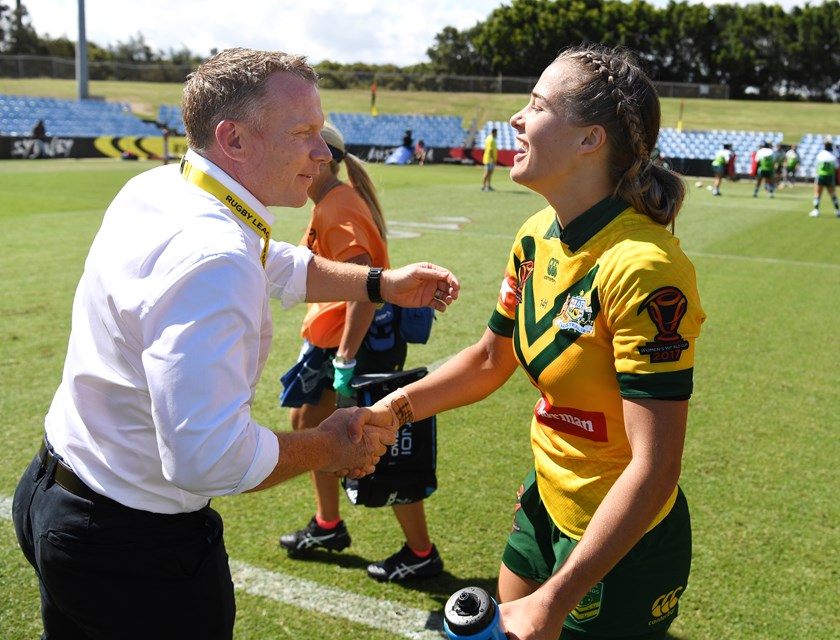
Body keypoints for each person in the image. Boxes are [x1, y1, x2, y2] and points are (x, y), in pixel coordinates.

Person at [11, 48, 459, 640]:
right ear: (235, 140)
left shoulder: (164, 186)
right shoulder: (213, 256)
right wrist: (326, 445)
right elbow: (207, 458)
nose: (324, 152)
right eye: (303, 133)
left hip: (58, 490)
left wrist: (379, 283)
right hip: (131, 549)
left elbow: (274, 260)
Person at [357, 43, 705, 640]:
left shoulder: (644, 269)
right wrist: (393, 408)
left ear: (589, 140)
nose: (516, 118)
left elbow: (654, 469)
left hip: (622, 541)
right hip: (543, 501)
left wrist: (555, 601)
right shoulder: (536, 235)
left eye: (537, 105)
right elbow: (491, 361)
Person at [277, 121, 443, 582]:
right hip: (338, 343)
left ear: (321, 158)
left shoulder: (337, 206)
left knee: (378, 443)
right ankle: (329, 524)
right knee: (309, 425)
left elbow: (364, 288)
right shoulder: (331, 202)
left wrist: (346, 358)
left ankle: (420, 552)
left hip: (359, 344)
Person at [809, 140, 839, 217]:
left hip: (821, 176)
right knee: (832, 194)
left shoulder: (820, 155)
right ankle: (837, 211)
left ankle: (816, 210)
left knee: (818, 194)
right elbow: (837, 167)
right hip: (830, 176)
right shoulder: (833, 156)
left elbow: (816, 166)